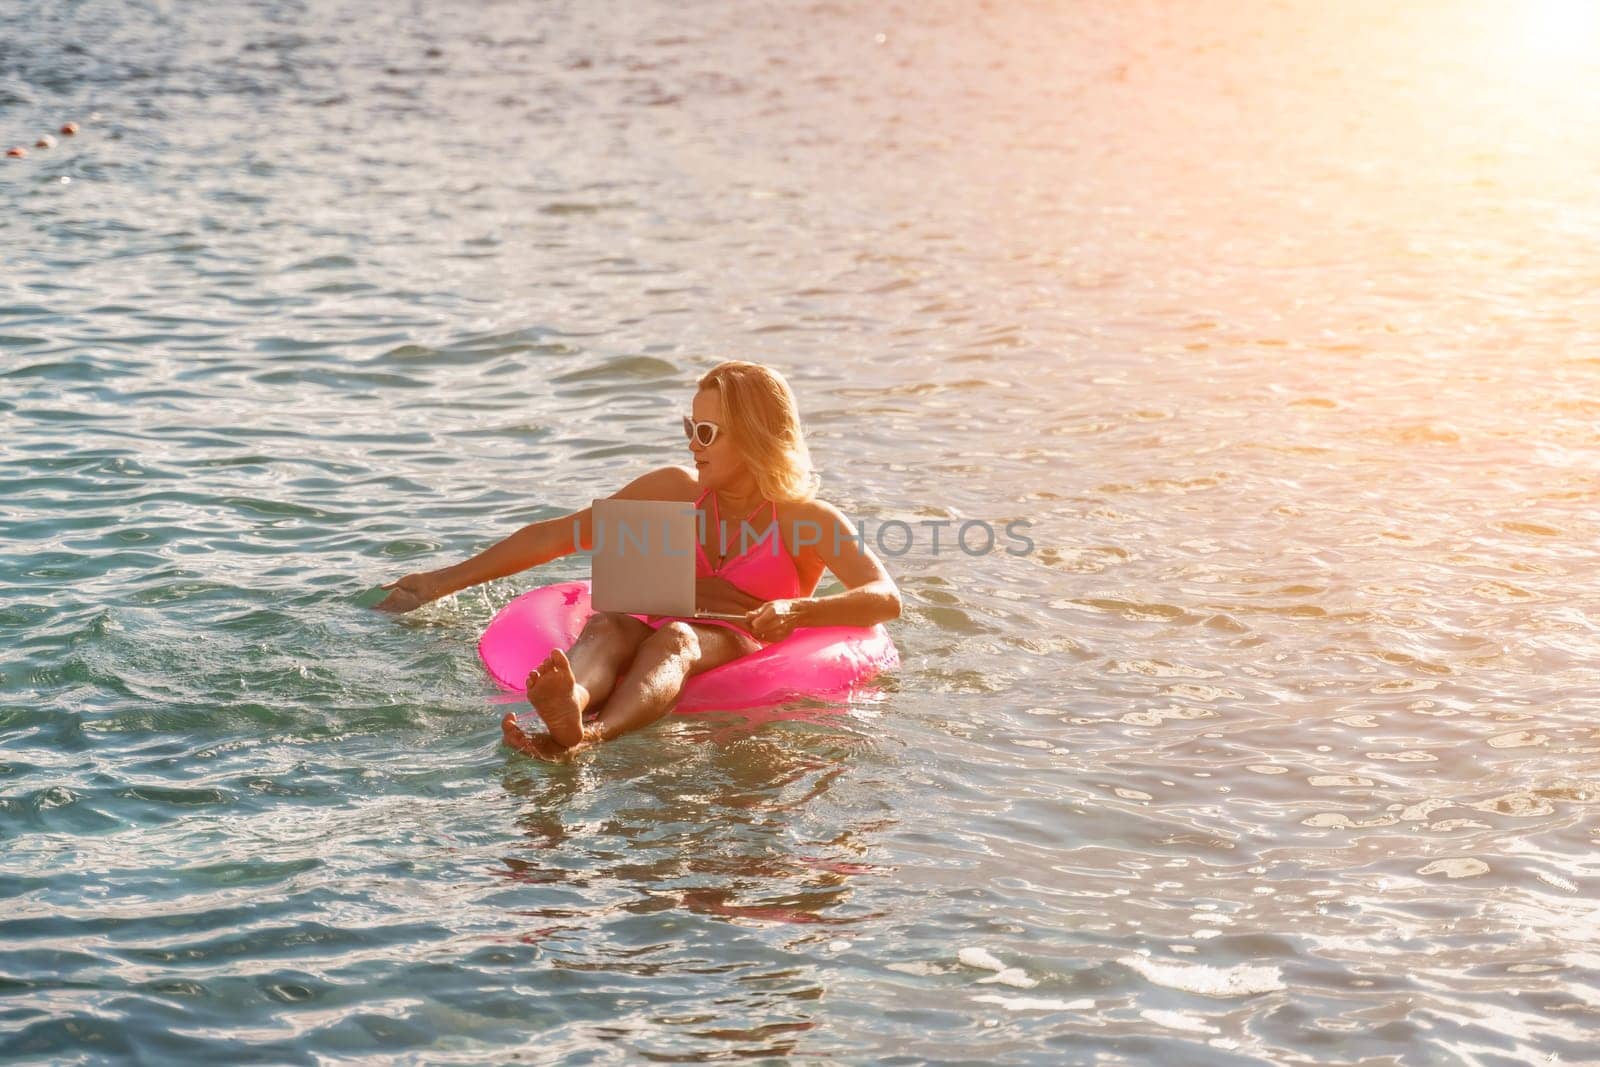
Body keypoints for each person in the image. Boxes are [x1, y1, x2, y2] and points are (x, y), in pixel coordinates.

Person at [376, 360, 902, 760]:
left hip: (736, 636)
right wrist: (438, 583)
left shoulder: (805, 519)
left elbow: (884, 598)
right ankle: (571, 703)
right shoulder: (674, 489)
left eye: (707, 432)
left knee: (678, 639)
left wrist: (797, 612)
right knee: (610, 623)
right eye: (689, 428)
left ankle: (591, 736)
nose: (693, 444)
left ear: (756, 436)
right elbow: (560, 536)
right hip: (654, 619)